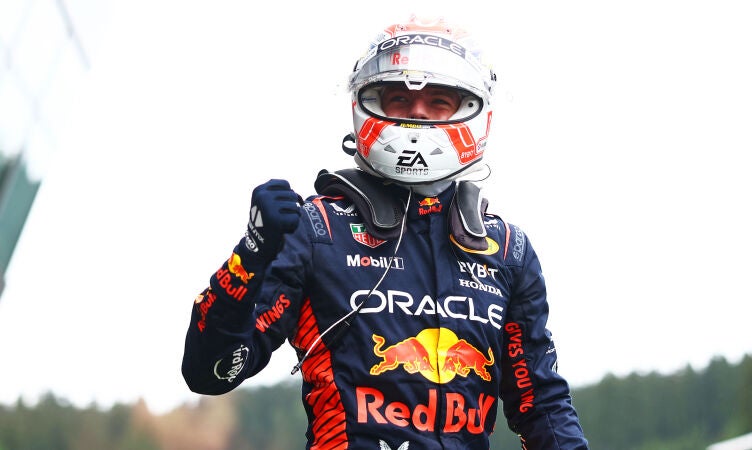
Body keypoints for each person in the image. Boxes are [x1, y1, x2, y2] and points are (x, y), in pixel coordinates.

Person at [182, 14, 590, 450]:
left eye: (439, 100)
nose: (417, 112)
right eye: (399, 98)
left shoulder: (507, 250)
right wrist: (251, 253)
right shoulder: (317, 230)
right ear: (368, 105)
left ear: (473, 113)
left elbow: (541, 405)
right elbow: (211, 373)